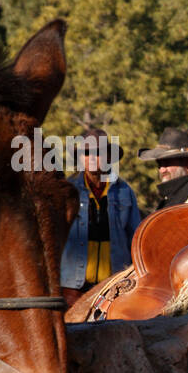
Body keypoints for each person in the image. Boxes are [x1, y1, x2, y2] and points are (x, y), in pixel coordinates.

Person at [60, 129, 143, 306]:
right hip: (72, 287)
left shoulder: (124, 190)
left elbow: (136, 237)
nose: (91, 157)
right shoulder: (67, 190)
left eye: (98, 152)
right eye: (86, 152)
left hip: (115, 285)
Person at [139, 127, 188, 209]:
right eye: (159, 164)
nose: (162, 170)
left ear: (186, 162)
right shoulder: (175, 193)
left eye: (167, 163)